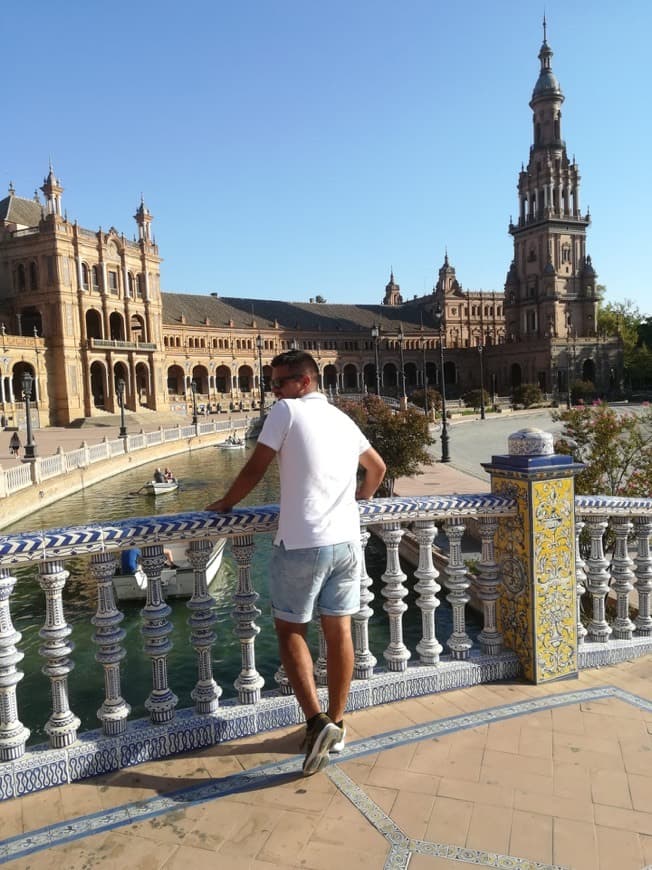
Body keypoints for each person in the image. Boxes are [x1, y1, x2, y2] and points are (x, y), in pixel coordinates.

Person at [206, 350, 386, 776]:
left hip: (303, 542)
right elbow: (376, 467)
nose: (272, 391)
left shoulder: (285, 411)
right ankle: (338, 724)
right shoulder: (342, 418)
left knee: (289, 630)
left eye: (279, 382)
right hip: (346, 542)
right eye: (271, 384)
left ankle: (315, 721)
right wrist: (361, 500)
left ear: (304, 382)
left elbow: (255, 468)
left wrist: (225, 504)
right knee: (339, 630)